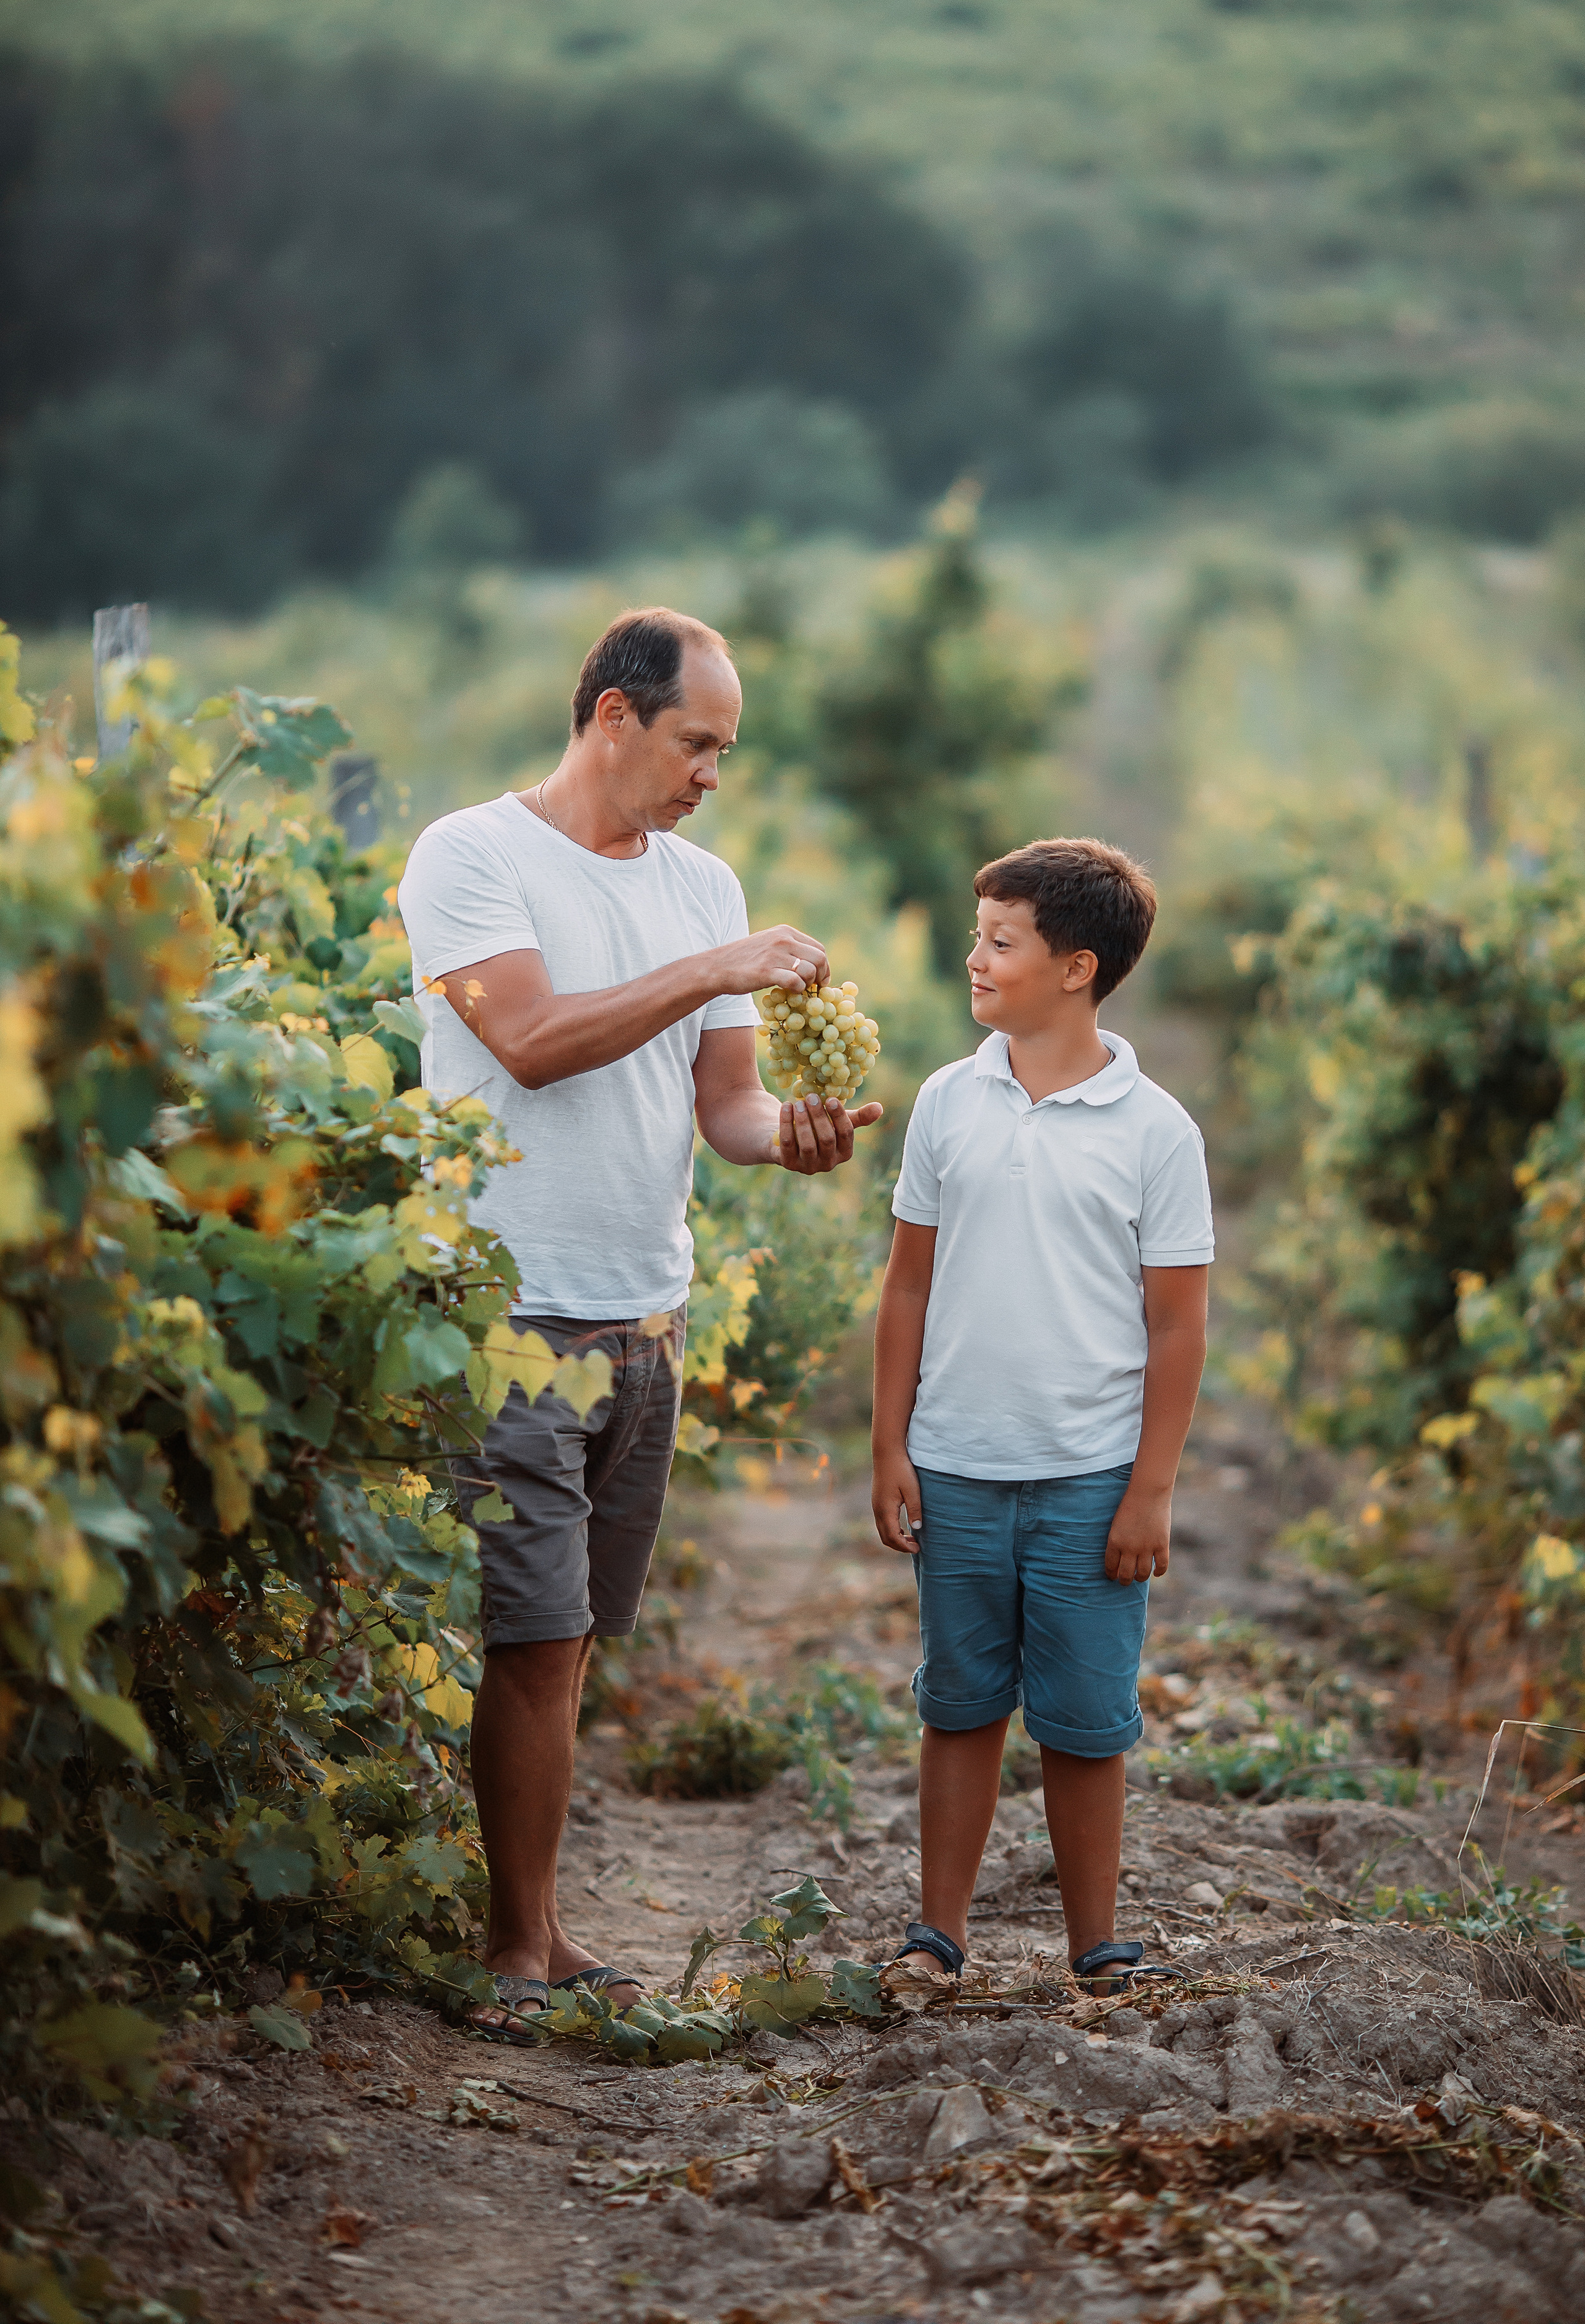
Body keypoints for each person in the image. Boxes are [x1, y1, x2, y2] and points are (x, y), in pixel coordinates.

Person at [397, 607, 881, 2038]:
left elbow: (715, 1101)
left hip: (643, 1312)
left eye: (723, 751)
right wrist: (707, 970)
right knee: (533, 1639)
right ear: (613, 714)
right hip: (512, 1307)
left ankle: (543, 1930)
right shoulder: (471, 856)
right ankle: (508, 1950)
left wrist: (779, 1134)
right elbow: (531, 1044)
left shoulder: (702, 881)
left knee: (577, 1639)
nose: (709, 776)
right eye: (695, 744)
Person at [869, 837, 1212, 1990]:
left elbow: (1177, 1328)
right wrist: (892, 1445)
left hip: (1089, 1481)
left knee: (1084, 1721)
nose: (974, 958)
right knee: (958, 1705)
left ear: (1077, 967)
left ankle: (1097, 1947)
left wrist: (1150, 1487)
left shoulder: (1156, 1131)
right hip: (958, 1465)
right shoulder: (946, 1103)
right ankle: (937, 1936)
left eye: (998, 942)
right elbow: (907, 1283)